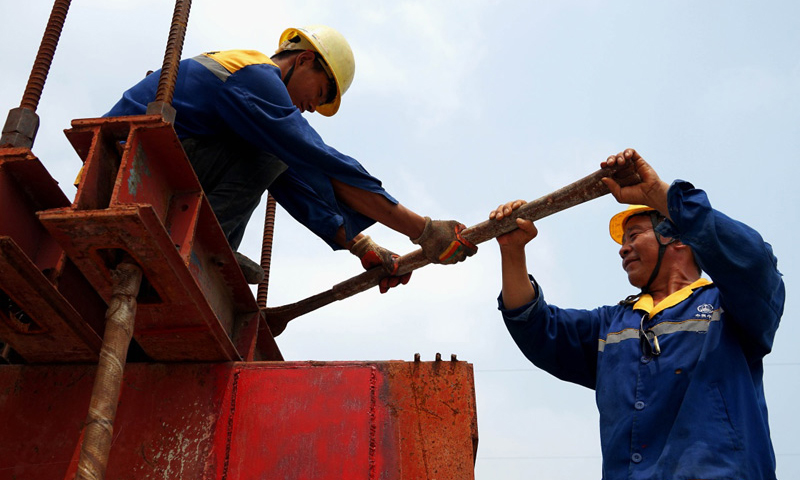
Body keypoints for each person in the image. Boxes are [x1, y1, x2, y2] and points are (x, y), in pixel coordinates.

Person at [105, 25, 476, 287]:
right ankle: (204, 241)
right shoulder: (253, 76)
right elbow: (317, 161)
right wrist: (422, 229)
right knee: (283, 153)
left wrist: (362, 246)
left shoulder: (255, 101)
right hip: (128, 165)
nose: (314, 107)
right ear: (303, 60)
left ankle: (210, 241)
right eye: (322, 91)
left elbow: (297, 186)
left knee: (278, 158)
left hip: (148, 164)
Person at [490, 148, 784, 479]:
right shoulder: (612, 325)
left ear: (679, 239)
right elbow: (535, 326)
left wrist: (661, 196)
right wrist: (512, 252)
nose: (623, 247)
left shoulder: (728, 306)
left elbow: (755, 262)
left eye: (634, 235)